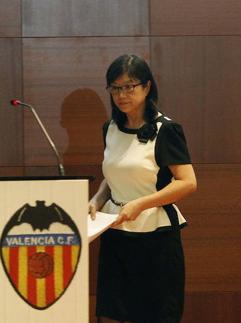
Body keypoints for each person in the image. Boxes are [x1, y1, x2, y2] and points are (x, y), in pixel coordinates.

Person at [89, 54, 197, 323]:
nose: (122, 94)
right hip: (116, 233)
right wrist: (97, 199)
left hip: (155, 237)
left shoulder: (166, 129)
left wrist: (141, 203)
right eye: (115, 87)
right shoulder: (110, 128)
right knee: (112, 313)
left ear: (147, 87)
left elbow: (187, 182)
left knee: (154, 314)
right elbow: (114, 173)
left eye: (130, 86)